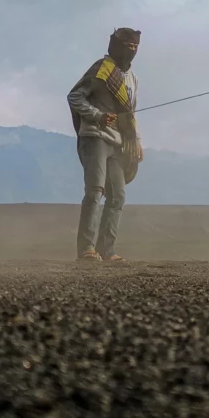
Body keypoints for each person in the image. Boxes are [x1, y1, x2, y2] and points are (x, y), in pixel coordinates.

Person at [67, 27, 144, 262]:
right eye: (127, 46)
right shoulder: (101, 69)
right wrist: (97, 115)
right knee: (95, 191)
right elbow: (74, 96)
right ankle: (86, 249)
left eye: (135, 47)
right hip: (95, 136)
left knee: (117, 195)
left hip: (119, 142)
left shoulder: (133, 79)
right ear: (115, 46)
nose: (131, 51)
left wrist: (136, 141)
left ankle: (106, 250)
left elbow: (131, 113)